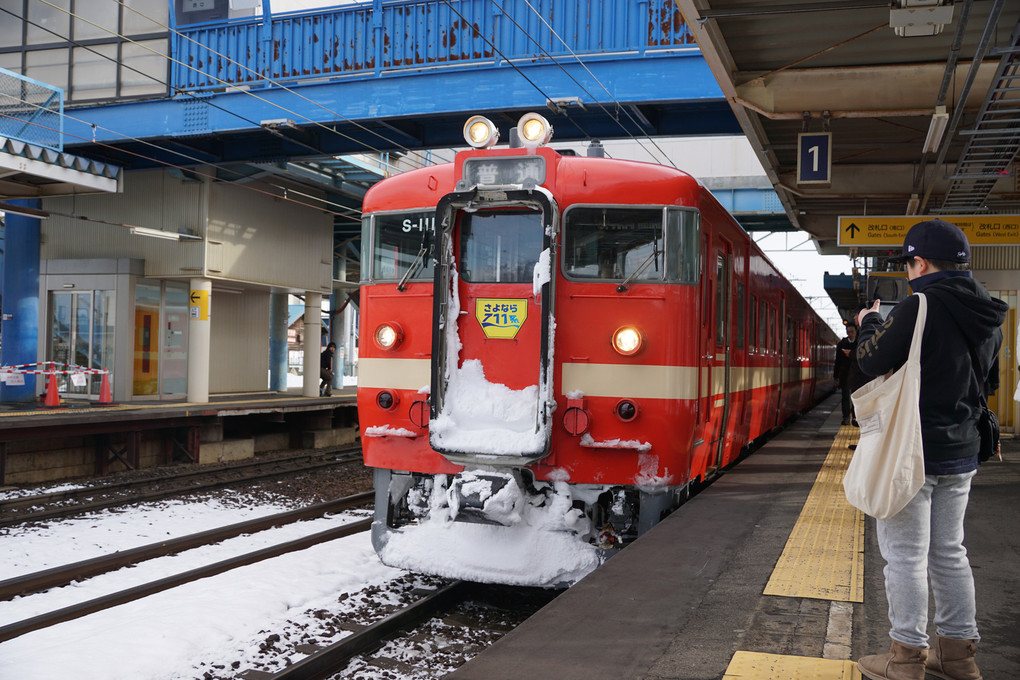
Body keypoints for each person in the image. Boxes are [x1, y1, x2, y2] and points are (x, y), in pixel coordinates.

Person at [854, 218, 1007, 680]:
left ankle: (906, 659)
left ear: (920, 262)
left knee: (904, 558)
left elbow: (868, 361)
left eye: (908, 264)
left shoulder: (919, 305)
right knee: (949, 551)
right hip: (962, 451)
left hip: (912, 451)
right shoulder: (990, 313)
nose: (908, 272)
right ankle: (959, 657)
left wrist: (870, 323)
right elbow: (990, 383)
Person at [834, 323, 858, 425]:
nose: (850, 334)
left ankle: (855, 418)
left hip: (857, 374)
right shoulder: (841, 344)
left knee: (856, 397)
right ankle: (846, 417)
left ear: (856, 332)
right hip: (845, 375)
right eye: (848, 332)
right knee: (845, 397)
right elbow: (837, 361)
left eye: (852, 331)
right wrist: (836, 375)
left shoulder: (860, 343)